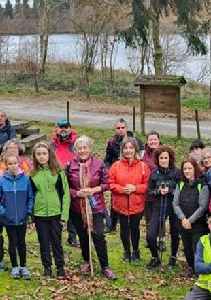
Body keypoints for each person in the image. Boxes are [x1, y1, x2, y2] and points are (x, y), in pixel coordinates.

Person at [66, 136, 116, 280]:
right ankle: (87, 260)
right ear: (75, 150)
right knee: (83, 235)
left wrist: (93, 190)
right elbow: (65, 187)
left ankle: (105, 266)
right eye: (79, 148)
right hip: (77, 208)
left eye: (85, 147)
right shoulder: (70, 166)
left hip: (96, 207)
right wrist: (77, 193)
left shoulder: (98, 164)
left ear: (89, 149)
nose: (82, 151)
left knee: (98, 235)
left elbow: (107, 184)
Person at [30, 142, 70, 279]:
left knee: (56, 242)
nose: (42, 157)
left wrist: (64, 215)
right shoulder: (32, 174)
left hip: (55, 212)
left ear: (49, 154)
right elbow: (30, 196)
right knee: (44, 242)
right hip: (39, 213)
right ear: (35, 156)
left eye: (44, 154)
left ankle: (60, 267)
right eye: (38, 154)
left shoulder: (58, 172)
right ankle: (47, 267)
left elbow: (65, 194)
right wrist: (31, 216)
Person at [0, 153, 34, 279]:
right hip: (9, 219)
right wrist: (4, 212)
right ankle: (15, 266)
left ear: (19, 163)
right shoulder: (2, 181)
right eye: (10, 164)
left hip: (22, 217)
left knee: (22, 242)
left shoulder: (26, 179)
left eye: (15, 163)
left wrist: (28, 211)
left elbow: (31, 197)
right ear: (6, 165)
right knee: (13, 242)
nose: (13, 166)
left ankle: (23, 266)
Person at [109, 137, 149, 263]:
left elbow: (147, 185)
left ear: (135, 149)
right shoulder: (116, 166)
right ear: (122, 150)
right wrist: (121, 189)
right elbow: (110, 183)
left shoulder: (143, 166)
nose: (128, 151)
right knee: (124, 228)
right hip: (120, 204)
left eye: (131, 148)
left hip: (136, 204)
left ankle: (136, 250)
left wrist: (135, 188)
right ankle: (127, 251)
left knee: (135, 228)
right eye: (125, 148)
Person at [104, 119, 142, 234]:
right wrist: (110, 170)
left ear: (126, 128)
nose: (121, 130)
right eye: (118, 128)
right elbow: (107, 159)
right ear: (115, 129)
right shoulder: (111, 142)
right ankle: (113, 225)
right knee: (115, 201)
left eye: (123, 128)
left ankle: (133, 224)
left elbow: (141, 156)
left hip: (133, 175)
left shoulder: (136, 141)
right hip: (117, 175)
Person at [173, 158, 210, 277]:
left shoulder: (202, 185)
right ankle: (191, 267)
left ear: (195, 169)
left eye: (190, 168)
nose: (187, 171)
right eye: (185, 169)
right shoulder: (181, 184)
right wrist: (183, 219)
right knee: (187, 246)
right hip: (182, 223)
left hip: (197, 224)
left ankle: (200, 269)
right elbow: (175, 203)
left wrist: (190, 220)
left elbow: (203, 206)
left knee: (197, 247)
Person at [145, 146, 180, 270]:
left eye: (166, 158)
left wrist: (170, 190)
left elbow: (181, 189)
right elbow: (149, 192)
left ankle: (173, 257)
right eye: (161, 158)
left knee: (175, 232)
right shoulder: (154, 174)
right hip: (159, 205)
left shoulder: (177, 172)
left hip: (174, 206)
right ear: (157, 159)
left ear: (170, 158)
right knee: (150, 234)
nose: (164, 160)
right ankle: (155, 257)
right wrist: (158, 191)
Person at [49, 119, 79, 247]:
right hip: (56, 179)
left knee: (72, 209)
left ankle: (72, 237)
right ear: (57, 129)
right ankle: (56, 237)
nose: (64, 129)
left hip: (72, 180)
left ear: (70, 129)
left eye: (66, 127)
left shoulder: (75, 144)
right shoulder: (51, 144)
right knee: (57, 209)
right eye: (61, 127)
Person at [141, 131, 162, 223]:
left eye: (155, 139)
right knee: (149, 219)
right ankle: (150, 236)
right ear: (147, 141)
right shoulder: (142, 154)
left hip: (161, 191)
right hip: (147, 191)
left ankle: (160, 236)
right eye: (150, 139)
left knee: (160, 220)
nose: (153, 141)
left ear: (159, 140)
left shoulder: (164, 152)